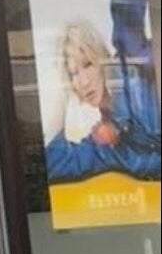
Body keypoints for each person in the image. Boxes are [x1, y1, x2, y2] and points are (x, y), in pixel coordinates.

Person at [44, 15, 160, 183]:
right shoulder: (103, 142)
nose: (84, 82)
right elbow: (53, 163)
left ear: (102, 59)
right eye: (73, 74)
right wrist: (63, 92)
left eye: (88, 64)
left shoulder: (140, 85)